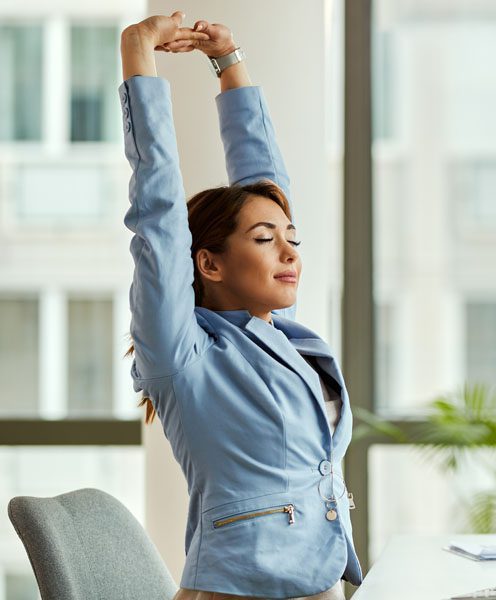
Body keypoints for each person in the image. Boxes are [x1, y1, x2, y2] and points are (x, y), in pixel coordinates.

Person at [118, 11, 361, 600]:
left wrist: (228, 63)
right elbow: (160, 220)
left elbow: (264, 182)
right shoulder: (182, 352)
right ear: (208, 264)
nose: (289, 252)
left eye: (292, 239)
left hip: (321, 583)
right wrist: (138, 56)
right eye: (263, 240)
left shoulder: (286, 341)